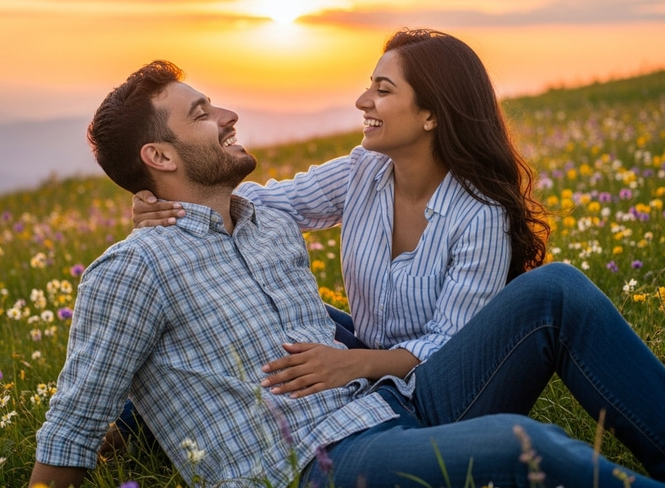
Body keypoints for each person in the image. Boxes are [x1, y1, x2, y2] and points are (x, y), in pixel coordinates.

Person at [16, 60, 665, 488]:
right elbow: (70, 427)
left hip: (396, 402)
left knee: (556, 292)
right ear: (159, 157)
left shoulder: (265, 221)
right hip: (313, 476)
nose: (228, 118)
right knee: (520, 449)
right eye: (202, 114)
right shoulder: (134, 269)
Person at [133, 28, 549, 395]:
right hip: (365, 355)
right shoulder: (364, 171)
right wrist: (169, 205)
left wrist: (354, 364)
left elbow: (450, 346)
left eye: (383, 91)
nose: (362, 101)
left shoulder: (481, 214)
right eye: (369, 86)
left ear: (431, 115)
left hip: (441, 387)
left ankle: (136, 428)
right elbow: (275, 204)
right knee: (251, 311)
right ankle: (137, 422)